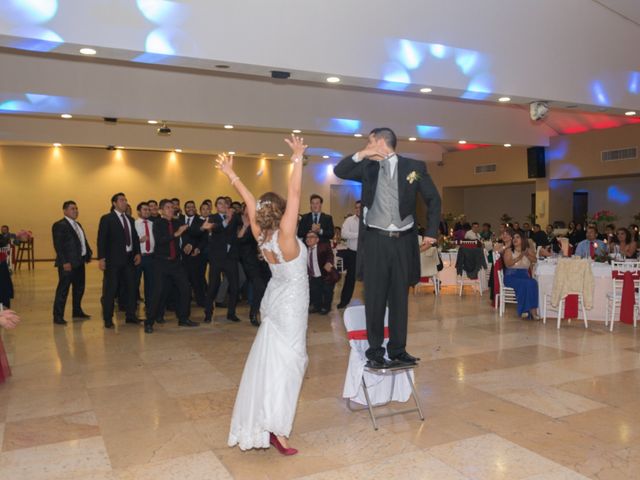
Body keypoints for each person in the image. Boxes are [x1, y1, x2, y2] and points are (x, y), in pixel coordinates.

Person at [218, 134, 308, 455]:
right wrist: (296, 157)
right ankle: (277, 429)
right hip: (292, 305)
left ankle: (265, 419)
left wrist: (233, 176)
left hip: (274, 301)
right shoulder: (286, 235)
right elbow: (295, 191)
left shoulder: (262, 235)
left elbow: (251, 204)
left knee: (272, 363)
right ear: (283, 211)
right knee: (290, 365)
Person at [334, 127, 441, 369]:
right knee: (374, 297)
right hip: (376, 241)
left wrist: (432, 232)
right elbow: (339, 170)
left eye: (369, 141)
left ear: (381, 141)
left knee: (398, 298)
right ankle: (374, 351)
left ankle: (398, 349)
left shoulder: (414, 166)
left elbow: (433, 199)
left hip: (403, 241)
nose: (367, 144)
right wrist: (362, 153)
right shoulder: (367, 167)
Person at [144, 199, 199, 333]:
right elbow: (161, 241)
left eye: (172, 207)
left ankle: (183, 318)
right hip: (161, 262)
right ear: (161, 210)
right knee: (158, 292)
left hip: (175, 262)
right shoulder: (157, 223)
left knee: (185, 288)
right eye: (168, 207)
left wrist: (189, 244)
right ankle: (149, 322)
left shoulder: (177, 222)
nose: (171, 209)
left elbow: (190, 233)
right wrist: (176, 234)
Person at [97, 192, 141, 328]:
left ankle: (131, 316)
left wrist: (138, 253)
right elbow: (101, 239)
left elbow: (134, 239)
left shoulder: (130, 219)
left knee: (131, 288)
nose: (125, 202)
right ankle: (108, 318)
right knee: (111, 290)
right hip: (113, 261)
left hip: (128, 260)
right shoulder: (107, 218)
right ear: (114, 203)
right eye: (121, 200)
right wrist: (101, 258)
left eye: (126, 200)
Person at [51, 200, 93, 325]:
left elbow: (82, 240)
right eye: (72, 209)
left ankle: (77, 311)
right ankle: (58, 316)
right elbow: (58, 245)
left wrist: (88, 252)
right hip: (67, 264)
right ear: (65, 211)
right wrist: (64, 262)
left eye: (76, 208)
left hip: (79, 262)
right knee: (63, 290)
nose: (75, 211)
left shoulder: (78, 224)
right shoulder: (59, 225)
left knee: (79, 288)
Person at [202, 197, 242, 323]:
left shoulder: (235, 217)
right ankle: (208, 313)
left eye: (225, 203)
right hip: (217, 258)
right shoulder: (213, 217)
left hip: (231, 257)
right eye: (219, 203)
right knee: (213, 286)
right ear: (216, 206)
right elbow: (217, 228)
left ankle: (231, 313)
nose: (223, 205)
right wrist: (227, 220)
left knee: (234, 286)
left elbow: (243, 225)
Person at [236, 205, 267, 326]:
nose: (249, 211)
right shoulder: (238, 221)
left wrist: (261, 252)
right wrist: (245, 225)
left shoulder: (259, 222)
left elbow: (261, 239)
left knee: (266, 286)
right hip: (246, 260)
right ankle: (253, 313)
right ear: (244, 210)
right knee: (259, 286)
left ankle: (265, 312)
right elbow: (238, 240)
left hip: (260, 259)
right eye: (247, 209)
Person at [502, 230, 539, 320]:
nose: (515, 239)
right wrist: (520, 256)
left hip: (524, 276)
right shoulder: (509, 251)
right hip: (511, 276)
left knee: (533, 282)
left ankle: (533, 310)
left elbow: (535, 260)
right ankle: (524, 311)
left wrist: (526, 254)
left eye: (517, 237)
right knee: (525, 283)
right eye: (513, 237)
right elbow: (508, 264)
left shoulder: (528, 250)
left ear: (522, 239)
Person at [305, 231, 337, 315]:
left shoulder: (323, 246)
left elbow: (330, 255)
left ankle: (326, 307)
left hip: (325, 273)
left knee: (327, 291)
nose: (308, 239)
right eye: (307, 237)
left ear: (317, 239)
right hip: (313, 274)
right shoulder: (304, 249)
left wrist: (329, 263)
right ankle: (317, 306)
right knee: (315, 291)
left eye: (311, 237)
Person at [337, 200, 361, 309]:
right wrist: (359, 234)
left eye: (360, 207)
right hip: (353, 254)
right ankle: (344, 302)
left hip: (368, 255)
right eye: (356, 207)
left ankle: (371, 303)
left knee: (370, 280)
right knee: (350, 279)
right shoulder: (349, 220)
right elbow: (344, 234)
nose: (358, 209)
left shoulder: (370, 220)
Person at [134, 202, 155, 314]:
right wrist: (139, 240)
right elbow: (129, 241)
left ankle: (150, 305)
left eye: (148, 210)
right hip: (139, 257)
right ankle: (132, 306)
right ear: (138, 212)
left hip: (151, 257)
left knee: (150, 283)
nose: (147, 211)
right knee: (135, 282)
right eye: (144, 210)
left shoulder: (153, 224)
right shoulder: (134, 223)